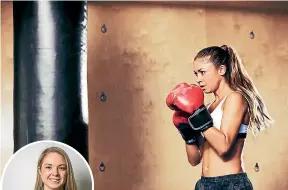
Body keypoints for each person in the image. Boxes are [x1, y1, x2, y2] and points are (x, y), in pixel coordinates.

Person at [166, 45, 274, 190]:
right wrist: (187, 133)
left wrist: (199, 117)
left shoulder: (235, 98)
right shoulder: (208, 108)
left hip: (230, 183)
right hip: (204, 184)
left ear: (221, 70)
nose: (198, 79)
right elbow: (195, 159)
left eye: (202, 72)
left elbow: (224, 146)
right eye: (196, 74)